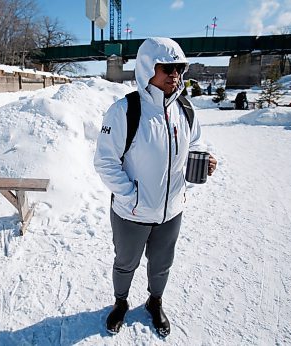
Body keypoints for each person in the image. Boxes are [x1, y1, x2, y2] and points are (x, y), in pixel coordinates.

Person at [94, 37, 217, 337]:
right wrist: (131, 197)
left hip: (171, 211)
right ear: (148, 68)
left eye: (179, 68)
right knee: (125, 263)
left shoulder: (185, 109)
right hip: (131, 213)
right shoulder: (125, 110)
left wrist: (204, 161)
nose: (174, 74)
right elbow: (105, 161)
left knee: (162, 264)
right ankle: (120, 304)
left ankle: (154, 301)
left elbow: (196, 143)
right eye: (167, 68)